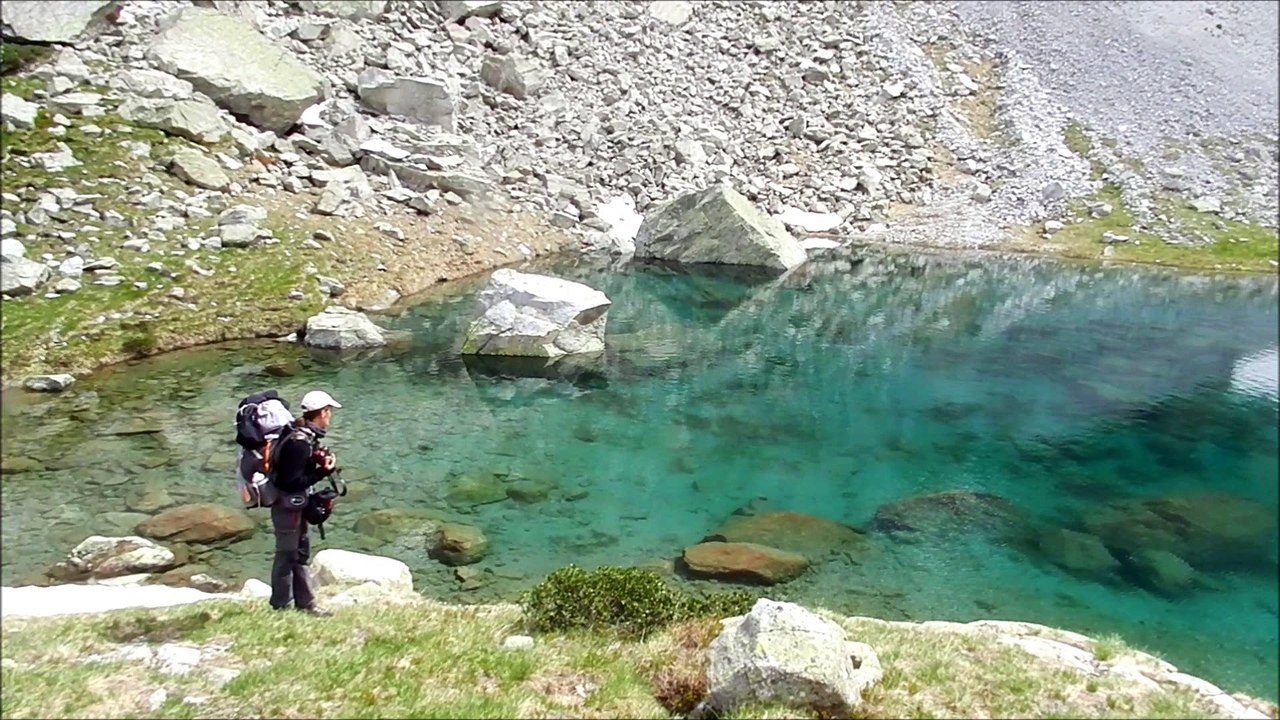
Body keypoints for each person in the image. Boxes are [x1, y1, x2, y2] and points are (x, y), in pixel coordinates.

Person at [268, 389, 342, 616]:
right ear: (323, 413)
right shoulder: (300, 442)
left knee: (299, 553)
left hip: (293, 504)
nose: (330, 417)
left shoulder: (298, 432)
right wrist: (322, 472)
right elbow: (291, 481)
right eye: (329, 412)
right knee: (287, 555)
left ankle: (306, 603)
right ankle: (280, 607)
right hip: (287, 504)